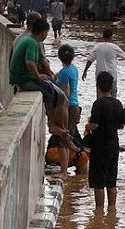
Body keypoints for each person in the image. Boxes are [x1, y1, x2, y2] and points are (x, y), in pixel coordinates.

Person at [9, 18, 76, 174]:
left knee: (57, 95)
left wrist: (49, 74)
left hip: (23, 78)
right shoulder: (32, 42)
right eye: (46, 32)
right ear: (43, 32)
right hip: (24, 80)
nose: (47, 35)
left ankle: (60, 129)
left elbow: (42, 60)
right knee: (52, 93)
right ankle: (57, 128)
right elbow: (30, 63)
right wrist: (39, 76)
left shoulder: (30, 40)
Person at [85, 72, 125, 210]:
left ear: (98, 86)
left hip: (100, 145)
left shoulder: (98, 104)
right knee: (111, 180)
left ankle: (99, 211)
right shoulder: (118, 103)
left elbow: (94, 125)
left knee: (99, 181)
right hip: (114, 144)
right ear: (112, 86)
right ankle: (112, 209)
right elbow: (121, 125)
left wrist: (87, 126)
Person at [82, 29, 125, 98]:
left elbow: (90, 60)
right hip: (112, 77)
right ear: (111, 37)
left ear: (103, 37)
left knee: (100, 98)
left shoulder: (97, 46)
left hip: (100, 77)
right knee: (113, 97)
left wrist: (85, 71)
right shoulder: (114, 47)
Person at [56, 44, 81, 140]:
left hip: (68, 107)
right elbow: (58, 75)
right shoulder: (73, 68)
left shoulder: (64, 72)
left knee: (66, 138)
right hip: (75, 105)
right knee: (72, 135)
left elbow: (66, 93)